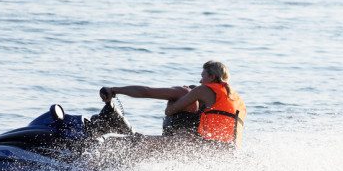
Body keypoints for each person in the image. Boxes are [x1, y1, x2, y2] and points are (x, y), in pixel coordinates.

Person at [100, 60, 246, 149]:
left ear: (212, 77)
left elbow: (150, 94)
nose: (200, 81)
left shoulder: (200, 91)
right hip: (228, 151)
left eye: (202, 76)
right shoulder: (236, 99)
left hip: (204, 148)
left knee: (113, 141)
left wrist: (114, 90)